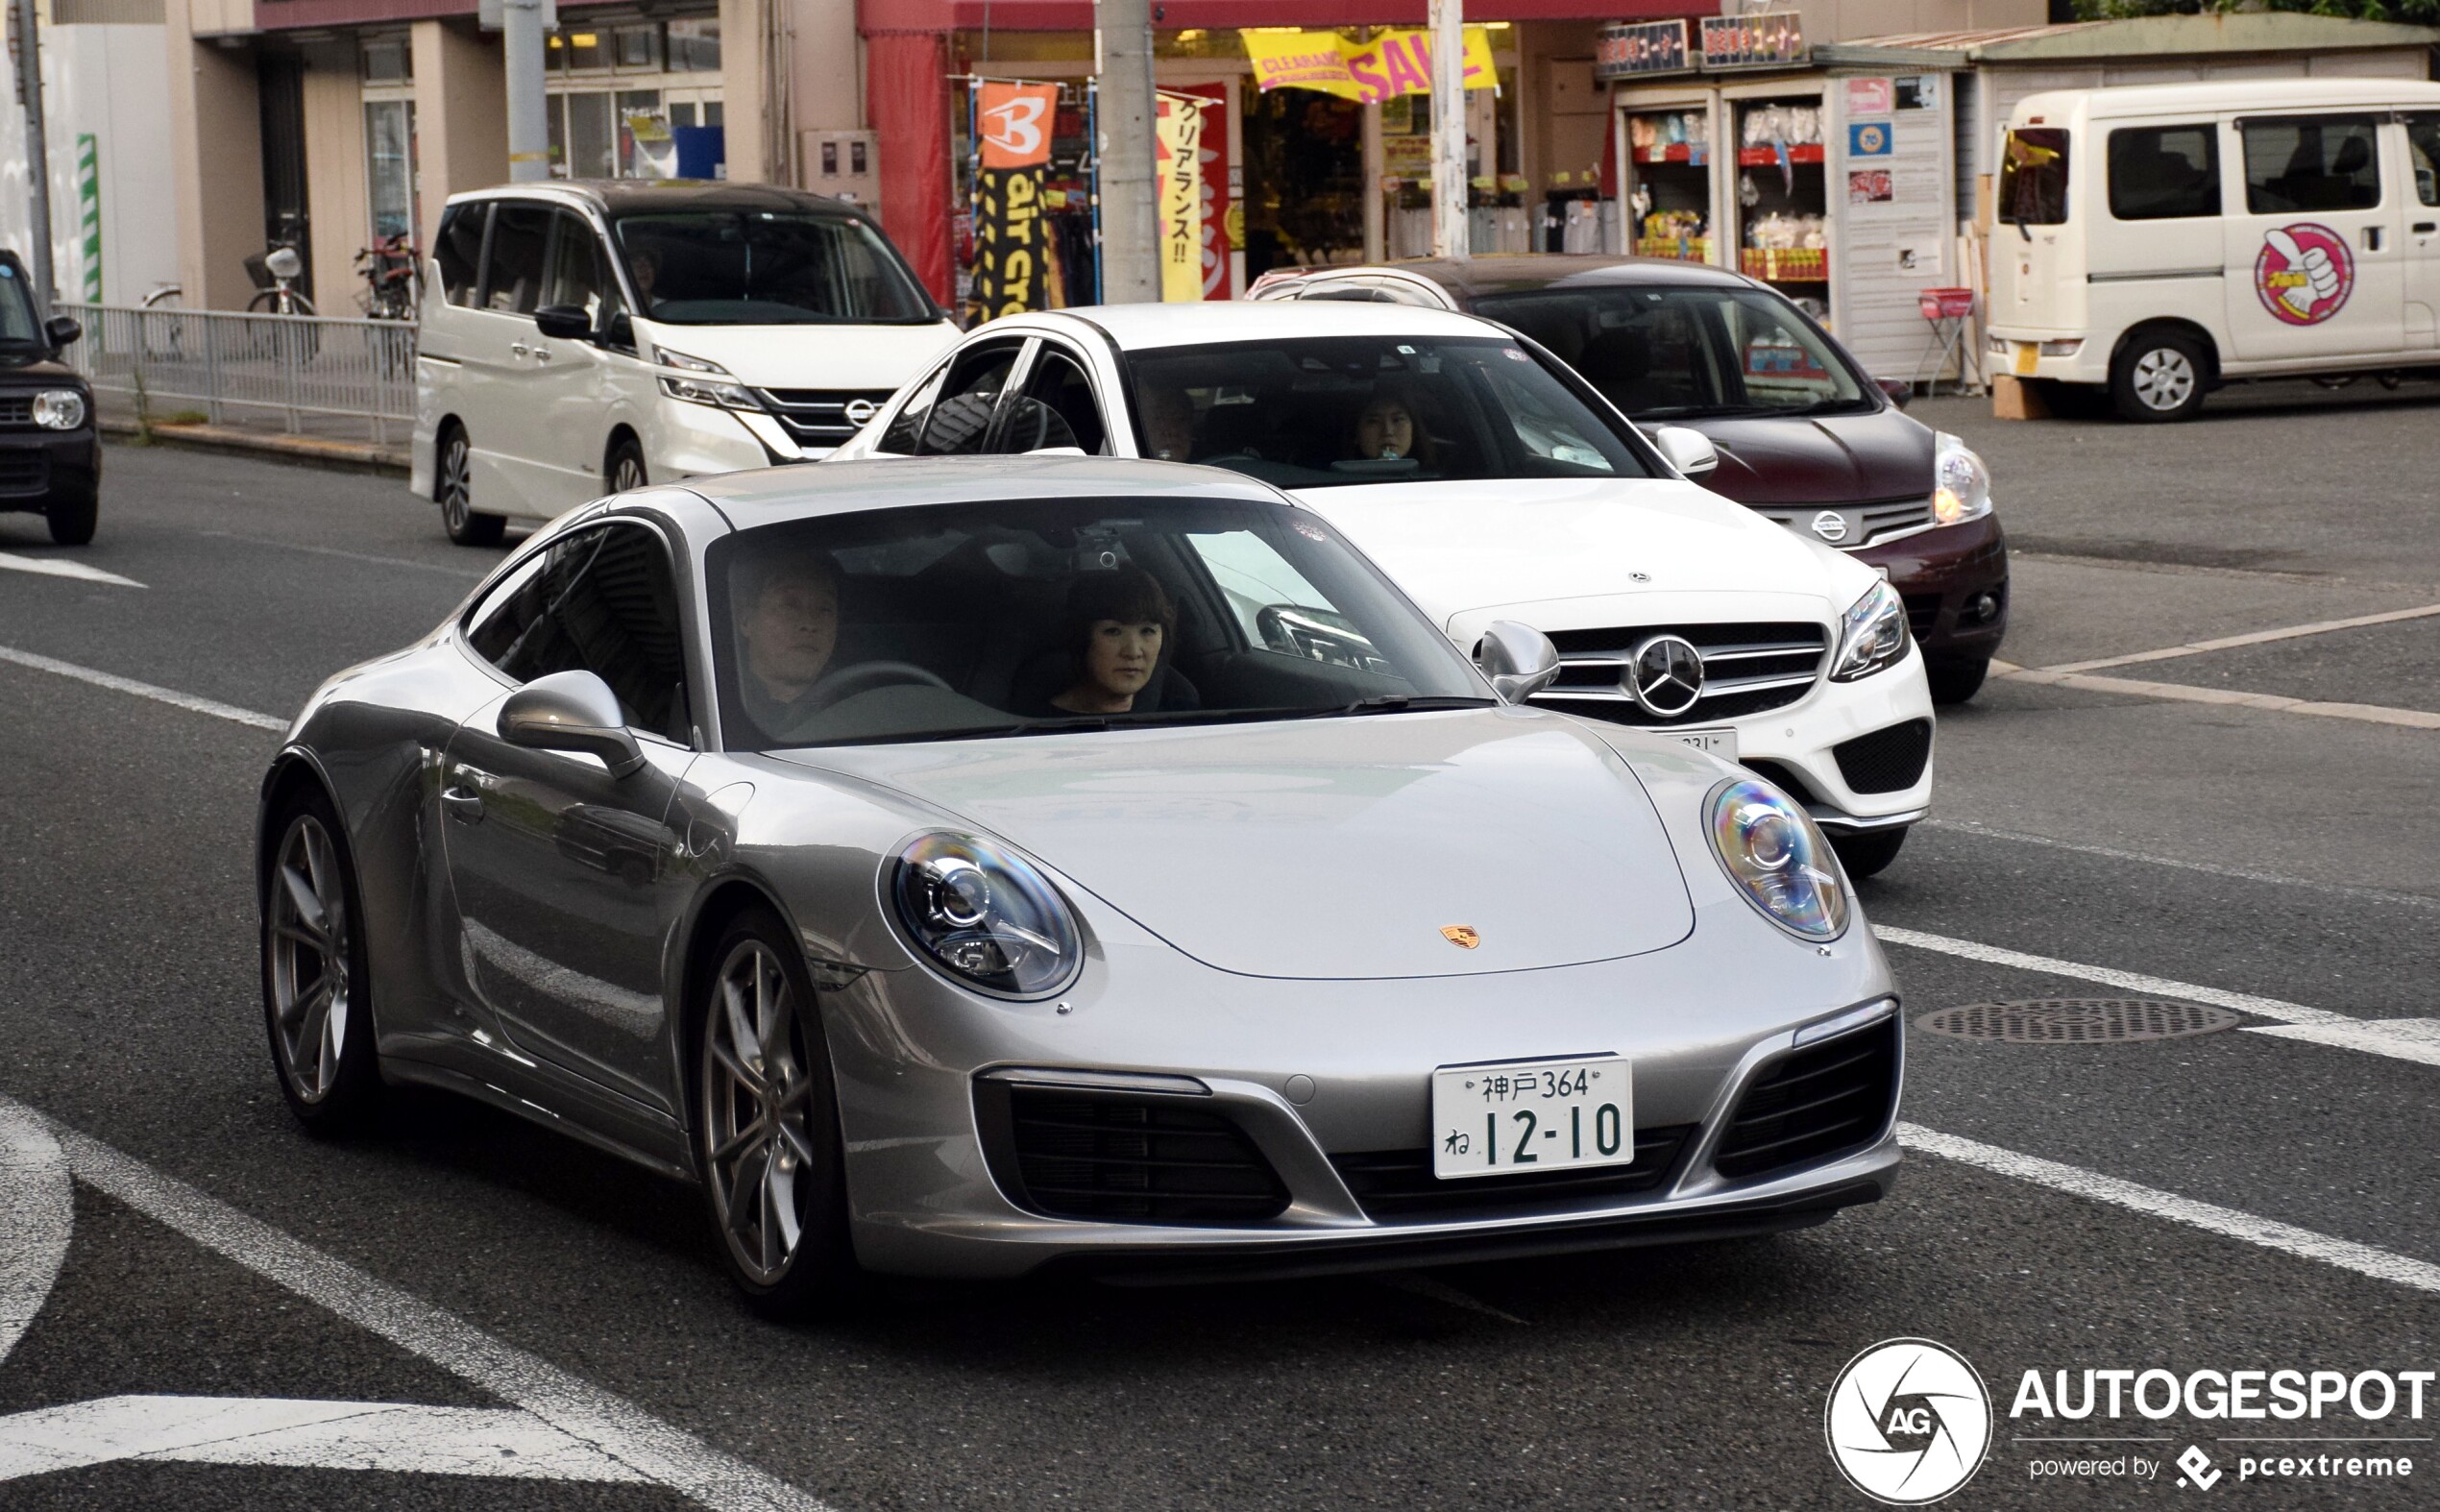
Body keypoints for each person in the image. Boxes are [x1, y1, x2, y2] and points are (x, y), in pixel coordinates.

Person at [1043, 565, 1186, 716]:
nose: (1133, 652)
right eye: (1113, 631)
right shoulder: (1034, 726)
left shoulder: (1184, 718)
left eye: (1147, 631)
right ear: (1081, 638)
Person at [732, 547, 840, 734]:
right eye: (789, 605)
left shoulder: (865, 705)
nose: (809, 622)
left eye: (825, 608)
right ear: (746, 619)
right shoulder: (714, 705)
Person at [1352, 389, 1429, 464]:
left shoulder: (1437, 473)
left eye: (1397, 420)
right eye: (1374, 421)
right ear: (1356, 433)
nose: (1388, 431)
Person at [1139, 385, 1197, 462]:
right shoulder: (1128, 468)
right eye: (1160, 419)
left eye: (1181, 419)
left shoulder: (1213, 469)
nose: (1173, 430)